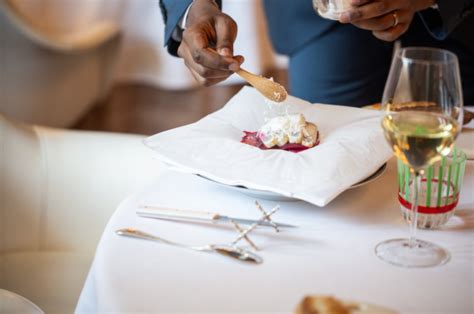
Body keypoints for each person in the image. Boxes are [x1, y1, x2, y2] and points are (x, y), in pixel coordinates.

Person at [159, 0, 474, 107]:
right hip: (323, 18)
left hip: (464, 19)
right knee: (333, 170)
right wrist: (194, 5)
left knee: (458, 162)